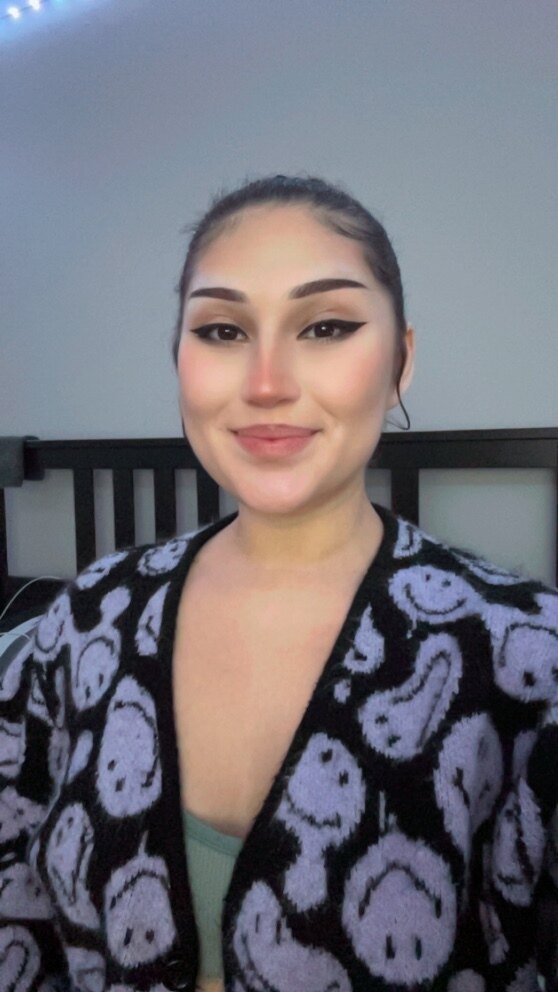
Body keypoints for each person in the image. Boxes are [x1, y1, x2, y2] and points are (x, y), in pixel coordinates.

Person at [0, 173, 557, 992]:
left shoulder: (528, 658)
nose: (266, 383)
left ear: (400, 362)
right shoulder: (82, 621)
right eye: (222, 330)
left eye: (326, 326)